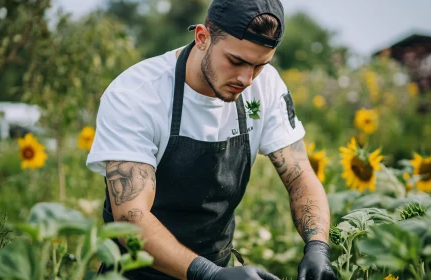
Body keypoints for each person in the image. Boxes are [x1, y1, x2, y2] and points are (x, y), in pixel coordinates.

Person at [87, 0, 337, 279]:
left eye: (259, 65)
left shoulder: (266, 86)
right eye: (236, 61)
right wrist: (208, 275)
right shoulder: (136, 95)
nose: (246, 79)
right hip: (134, 271)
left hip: (219, 267)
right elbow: (131, 218)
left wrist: (317, 248)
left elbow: (300, 176)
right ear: (202, 38)